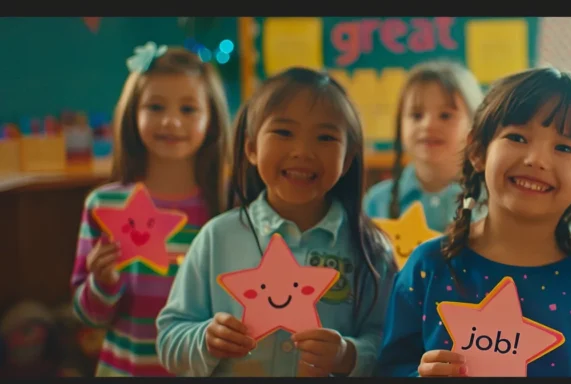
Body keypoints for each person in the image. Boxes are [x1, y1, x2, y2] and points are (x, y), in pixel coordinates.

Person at [374, 67, 571, 377]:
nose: (536, 159)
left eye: (564, 147)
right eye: (517, 137)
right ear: (478, 151)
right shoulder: (429, 266)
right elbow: (389, 367)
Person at [155, 67, 394, 377]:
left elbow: (391, 342)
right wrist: (205, 339)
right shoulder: (218, 237)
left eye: (325, 137)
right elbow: (169, 338)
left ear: (348, 160)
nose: (302, 151)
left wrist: (349, 355)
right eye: (283, 132)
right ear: (252, 148)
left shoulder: (372, 250)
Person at [69, 42, 230, 377]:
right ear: (133, 113)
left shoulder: (229, 208)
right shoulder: (103, 206)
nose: (171, 122)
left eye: (189, 110)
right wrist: (103, 281)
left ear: (212, 118)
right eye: (155, 107)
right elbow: (87, 317)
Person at [364, 60, 484, 232]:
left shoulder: (490, 202)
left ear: (474, 125)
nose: (428, 125)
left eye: (445, 115)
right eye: (416, 115)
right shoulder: (377, 201)